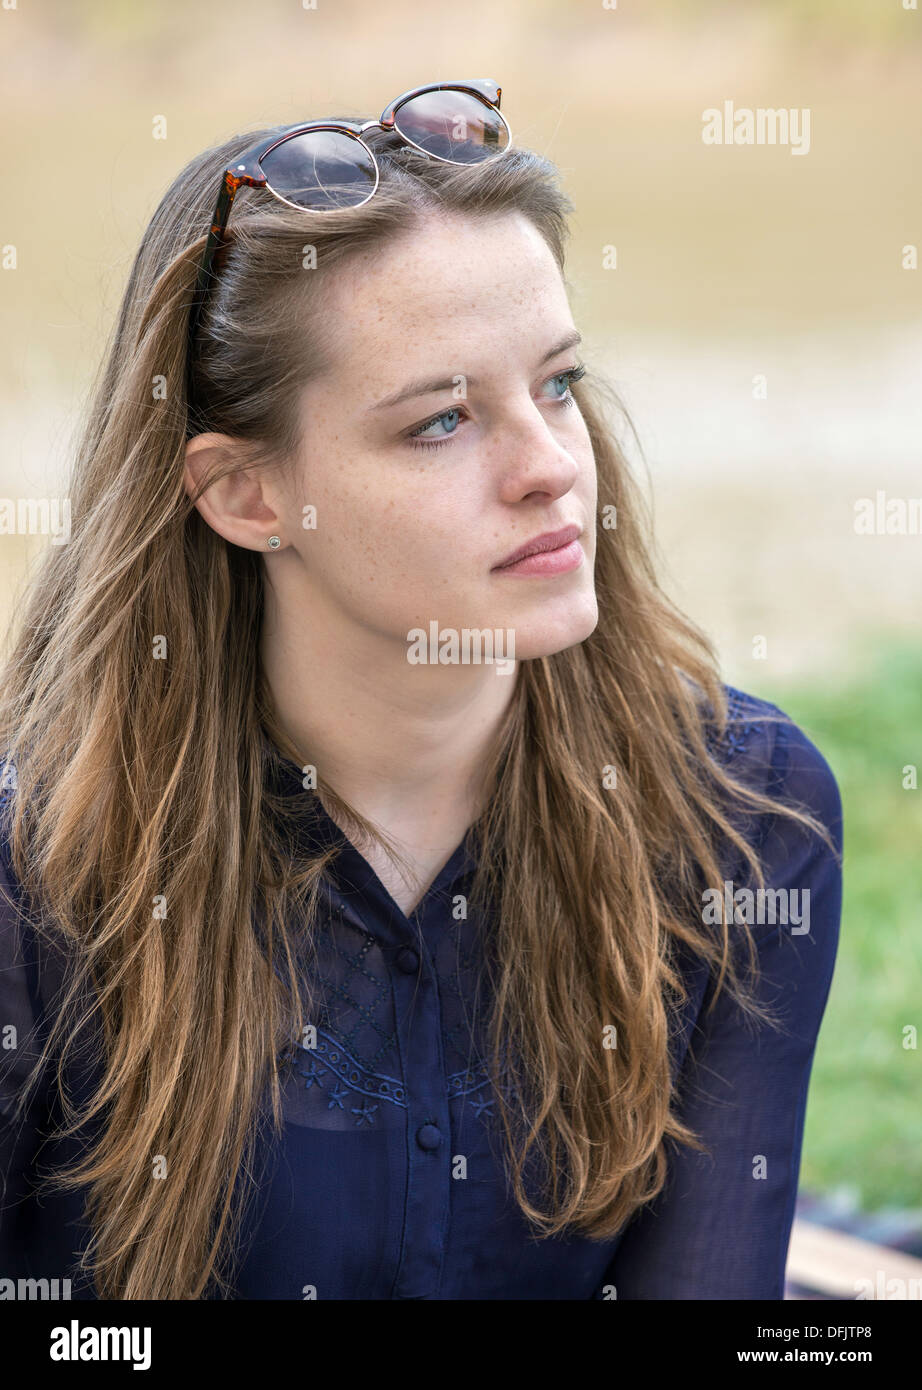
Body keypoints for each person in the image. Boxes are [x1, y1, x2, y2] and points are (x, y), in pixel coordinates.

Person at [0, 82, 842, 1300]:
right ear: (243, 494)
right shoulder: (36, 874)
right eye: (442, 421)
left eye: (556, 383)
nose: (550, 468)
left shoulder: (744, 817)